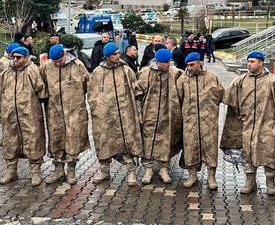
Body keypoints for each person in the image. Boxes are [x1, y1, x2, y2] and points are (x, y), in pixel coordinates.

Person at [220, 51, 275, 195]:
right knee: (248, 154)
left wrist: (273, 122)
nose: (249, 64)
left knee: (269, 154)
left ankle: (270, 183)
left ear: (261, 63)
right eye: (248, 61)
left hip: (267, 127)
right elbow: (233, 107)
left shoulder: (273, 81)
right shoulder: (241, 81)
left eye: (252, 61)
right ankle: (250, 181)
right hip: (247, 127)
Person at [88, 43, 143, 186]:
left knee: (127, 142)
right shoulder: (98, 73)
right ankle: (104, 171)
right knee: (104, 143)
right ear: (107, 56)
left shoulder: (126, 70)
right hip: (105, 117)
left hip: (124, 115)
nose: (117, 56)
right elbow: (92, 95)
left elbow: (137, 91)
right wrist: (97, 110)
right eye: (114, 54)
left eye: (119, 53)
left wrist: (137, 112)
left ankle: (131, 171)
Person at [41, 44, 90, 185]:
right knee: (56, 139)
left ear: (65, 55)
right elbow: (43, 86)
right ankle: (58, 170)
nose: (57, 63)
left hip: (74, 111)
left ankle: (71, 170)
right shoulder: (47, 67)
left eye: (60, 60)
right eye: (54, 61)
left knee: (73, 140)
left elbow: (87, 85)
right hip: (54, 111)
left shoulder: (77, 65)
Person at [0, 46, 47, 186]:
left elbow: (41, 91)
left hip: (29, 115)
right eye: (13, 57)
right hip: (10, 116)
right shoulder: (6, 72)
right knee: (10, 142)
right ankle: (11, 172)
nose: (15, 60)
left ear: (26, 58)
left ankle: (35, 173)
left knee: (33, 141)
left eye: (18, 57)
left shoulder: (31, 71)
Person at [177, 52, 224, 189]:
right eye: (187, 65)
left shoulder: (212, 77)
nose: (189, 67)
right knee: (190, 147)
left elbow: (220, 94)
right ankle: (192, 176)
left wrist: (210, 110)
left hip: (208, 122)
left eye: (192, 65)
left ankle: (211, 177)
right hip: (190, 122)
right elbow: (178, 98)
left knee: (210, 148)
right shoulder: (183, 79)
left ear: (200, 63)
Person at [135, 48, 183, 185]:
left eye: (170, 61)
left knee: (166, 141)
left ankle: (164, 168)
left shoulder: (175, 73)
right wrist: (139, 114)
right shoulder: (145, 73)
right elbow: (138, 95)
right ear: (158, 62)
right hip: (149, 114)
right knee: (148, 142)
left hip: (167, 114)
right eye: (166, 62)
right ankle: (148, 169)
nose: (169, 64)